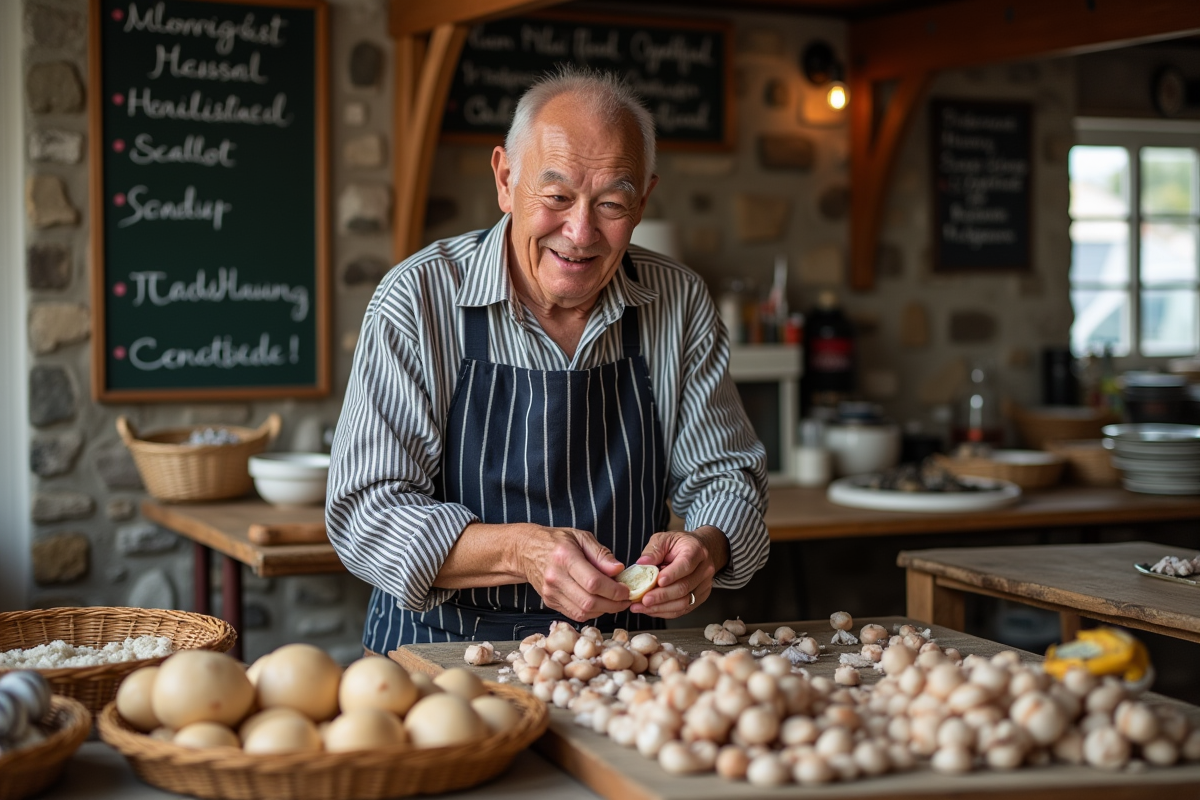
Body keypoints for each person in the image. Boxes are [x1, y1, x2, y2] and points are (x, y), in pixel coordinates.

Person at [327, 66, 769, 652]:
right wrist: (520, 550)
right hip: (441, 657)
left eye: (612, 203)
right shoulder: (418, 300)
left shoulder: (679, 302)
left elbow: (726, 474)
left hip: (619, 663)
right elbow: (367, 512)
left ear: (643, 203)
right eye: (557, 197)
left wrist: (706, 547)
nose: (580, 232)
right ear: (506, 180)